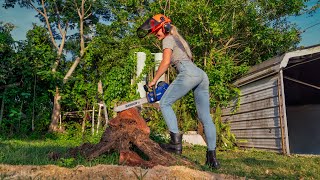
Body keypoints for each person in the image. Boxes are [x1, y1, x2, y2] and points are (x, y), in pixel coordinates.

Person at [137, 14, 220, 169]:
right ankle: (212, 158)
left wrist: (154, 80)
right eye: (154, 33)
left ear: (165, 27)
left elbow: (166, 62)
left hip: (188, 73)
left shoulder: (168, 39)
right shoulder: (180, 40)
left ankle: (175, 144)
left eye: (157, 32)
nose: (156, 35)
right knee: (205, 117)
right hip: (201, 75)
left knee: (165, 103)